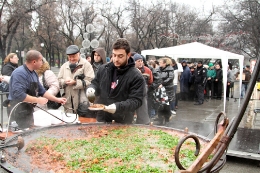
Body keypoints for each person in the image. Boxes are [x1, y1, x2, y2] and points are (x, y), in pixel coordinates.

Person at [86, 38, 146, 124]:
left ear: (128, 55)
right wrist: (92, 89)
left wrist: (117, 107)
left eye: (120, 56)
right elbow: (95, 83)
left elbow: (136, 101)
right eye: (114, 55)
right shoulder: (103, 69)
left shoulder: (136, 76)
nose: (116, 59)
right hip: (102, 118)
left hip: (122, 121)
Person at [7, 50, 67, 129]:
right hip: (17, 111)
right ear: (34, 62)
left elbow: (42, 91)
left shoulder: (33, 73)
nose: (42, 62)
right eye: (40, 60)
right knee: (19, 136)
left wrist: (57, 99)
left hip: (28, 110)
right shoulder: (19, 73)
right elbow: (19, 95)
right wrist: (38, 100)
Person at [58, 45, 94, 114]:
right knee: (69, 121)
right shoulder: (64, 66)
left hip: (83, 101)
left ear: (79, 54)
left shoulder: (86, 65)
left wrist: (75, 82)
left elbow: (90, 81)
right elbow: (59, 80)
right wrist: (65, 82)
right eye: (69, 57)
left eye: (73, 56)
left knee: (83, 121)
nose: (71, 59)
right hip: (68, 102)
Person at [133, 53, 152, 124]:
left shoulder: (147, 70)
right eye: (138, 61)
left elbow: (151, 81)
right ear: (134, 62)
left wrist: (146, 89)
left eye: (141, 61)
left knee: (143, 112)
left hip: (143, 93)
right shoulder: (131, 70)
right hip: (133, 93)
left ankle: (143, 124)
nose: (140, 62)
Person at [154, 57, 174, 125]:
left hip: (167, 89)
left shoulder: (170, 69)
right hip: (159, 89)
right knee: (159, 103)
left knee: (166, 104)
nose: (159, 63)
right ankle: (160, 117)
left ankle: (167, 117)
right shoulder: (157, 69)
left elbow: (170, 78)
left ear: (165, 63)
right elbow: (155, 77)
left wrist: (163, 84)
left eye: (160, 62)